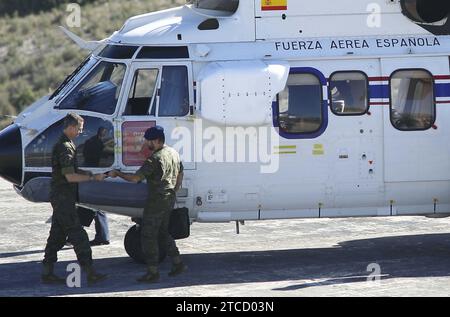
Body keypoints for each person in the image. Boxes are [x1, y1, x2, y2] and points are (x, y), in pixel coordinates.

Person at [109, 126, 186, 283]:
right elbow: (180, 173)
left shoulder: (155, 159)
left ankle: (153, 272)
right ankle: (177, 263)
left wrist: (118, 173)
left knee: (148, 235)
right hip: (169, 198)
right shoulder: (173, 153)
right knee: (163, 232)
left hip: (157, 201)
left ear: (157, 140)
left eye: (149, 141)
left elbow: (135, 179)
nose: (147, 143)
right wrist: (174, 189)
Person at [42, 113, 108, 285]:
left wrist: (88, 174)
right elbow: (70, 177)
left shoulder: (67, 144)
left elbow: (73, 170)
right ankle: (90, 272)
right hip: (63, 197)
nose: (80, 132)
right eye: (79, 129)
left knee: (57, 235)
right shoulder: (65, 147)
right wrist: (93, 178)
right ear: (71, 127)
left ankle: (47, 272)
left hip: (62, 196)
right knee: (79, 236)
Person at [83, 127, 111, 246]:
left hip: (94, 173)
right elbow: (98, 155)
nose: (104, 134)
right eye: (103, 132)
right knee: (98, 208)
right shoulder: (96, 142)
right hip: (95, 171)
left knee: (94, 206)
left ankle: (102, 236)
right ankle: (103, 236)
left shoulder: (93, 141)